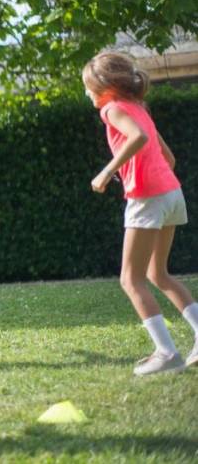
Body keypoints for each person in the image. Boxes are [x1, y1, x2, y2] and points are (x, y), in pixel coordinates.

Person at [84, 51, 198, 375]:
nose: (88, 93)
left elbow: (138, 138)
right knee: (158, 274)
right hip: (171, 193)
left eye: (89, 86)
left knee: (130, 279)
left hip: (148, 197)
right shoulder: (139, 109)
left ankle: (166, 353)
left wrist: (107, 172)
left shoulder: (113, 109)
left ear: (107, 86)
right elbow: (169, 159)